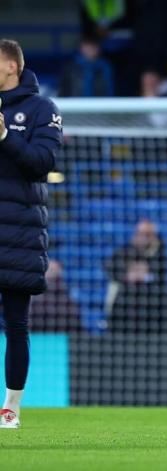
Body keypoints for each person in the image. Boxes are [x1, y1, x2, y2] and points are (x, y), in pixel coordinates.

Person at [0, 39, 63, 428]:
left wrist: (6, 137)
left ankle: (11, 408)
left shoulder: (42, 110)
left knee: (16, 324)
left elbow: (45, 162)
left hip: (20, 233)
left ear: (11, 66)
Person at [104, 219, 167, 333]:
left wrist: (145, 276)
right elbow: (110, 268)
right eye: (139, 234)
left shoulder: (160, 253)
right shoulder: (125, 251)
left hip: (151, 301)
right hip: (127, 298)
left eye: (147, 235)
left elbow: (161, 275)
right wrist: (128, 276)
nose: (142, 238)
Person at [29, 260, 82, 333]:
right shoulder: (34, 293)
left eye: (53, 270)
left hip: (60, 334)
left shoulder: (65, 294)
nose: (50, 272)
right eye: (48, 269)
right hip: (39, 333)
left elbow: (74, 319)